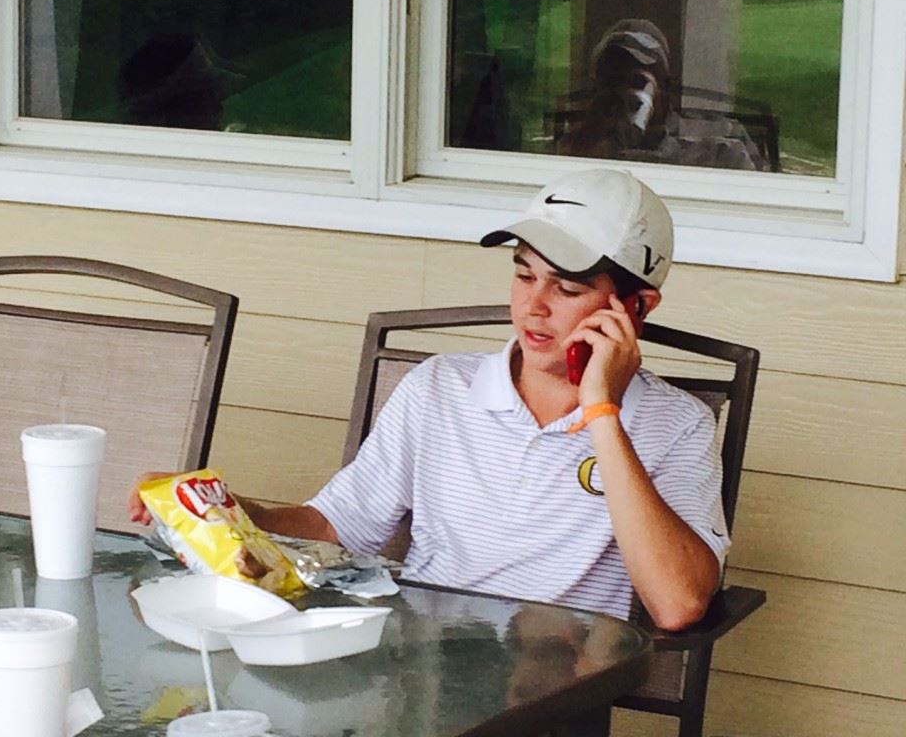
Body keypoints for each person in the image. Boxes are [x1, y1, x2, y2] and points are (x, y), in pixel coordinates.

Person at [129, 169, 729, 631]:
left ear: (636, 309)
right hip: (418, 669)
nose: (534, 307)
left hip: (554, 692)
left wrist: (602, 413)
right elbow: (332, 525)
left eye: (567, 287)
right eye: (523, 275)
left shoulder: (677, 425)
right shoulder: (441, 388)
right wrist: (221, 510)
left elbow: (677, 604)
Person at [562, 19, 767, 172]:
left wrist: (653, 138)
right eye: (613, 82)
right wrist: (596, 138)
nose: (625, 93)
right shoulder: (578, 141)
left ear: (665, 86)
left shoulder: (718, 144)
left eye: (637, 82)